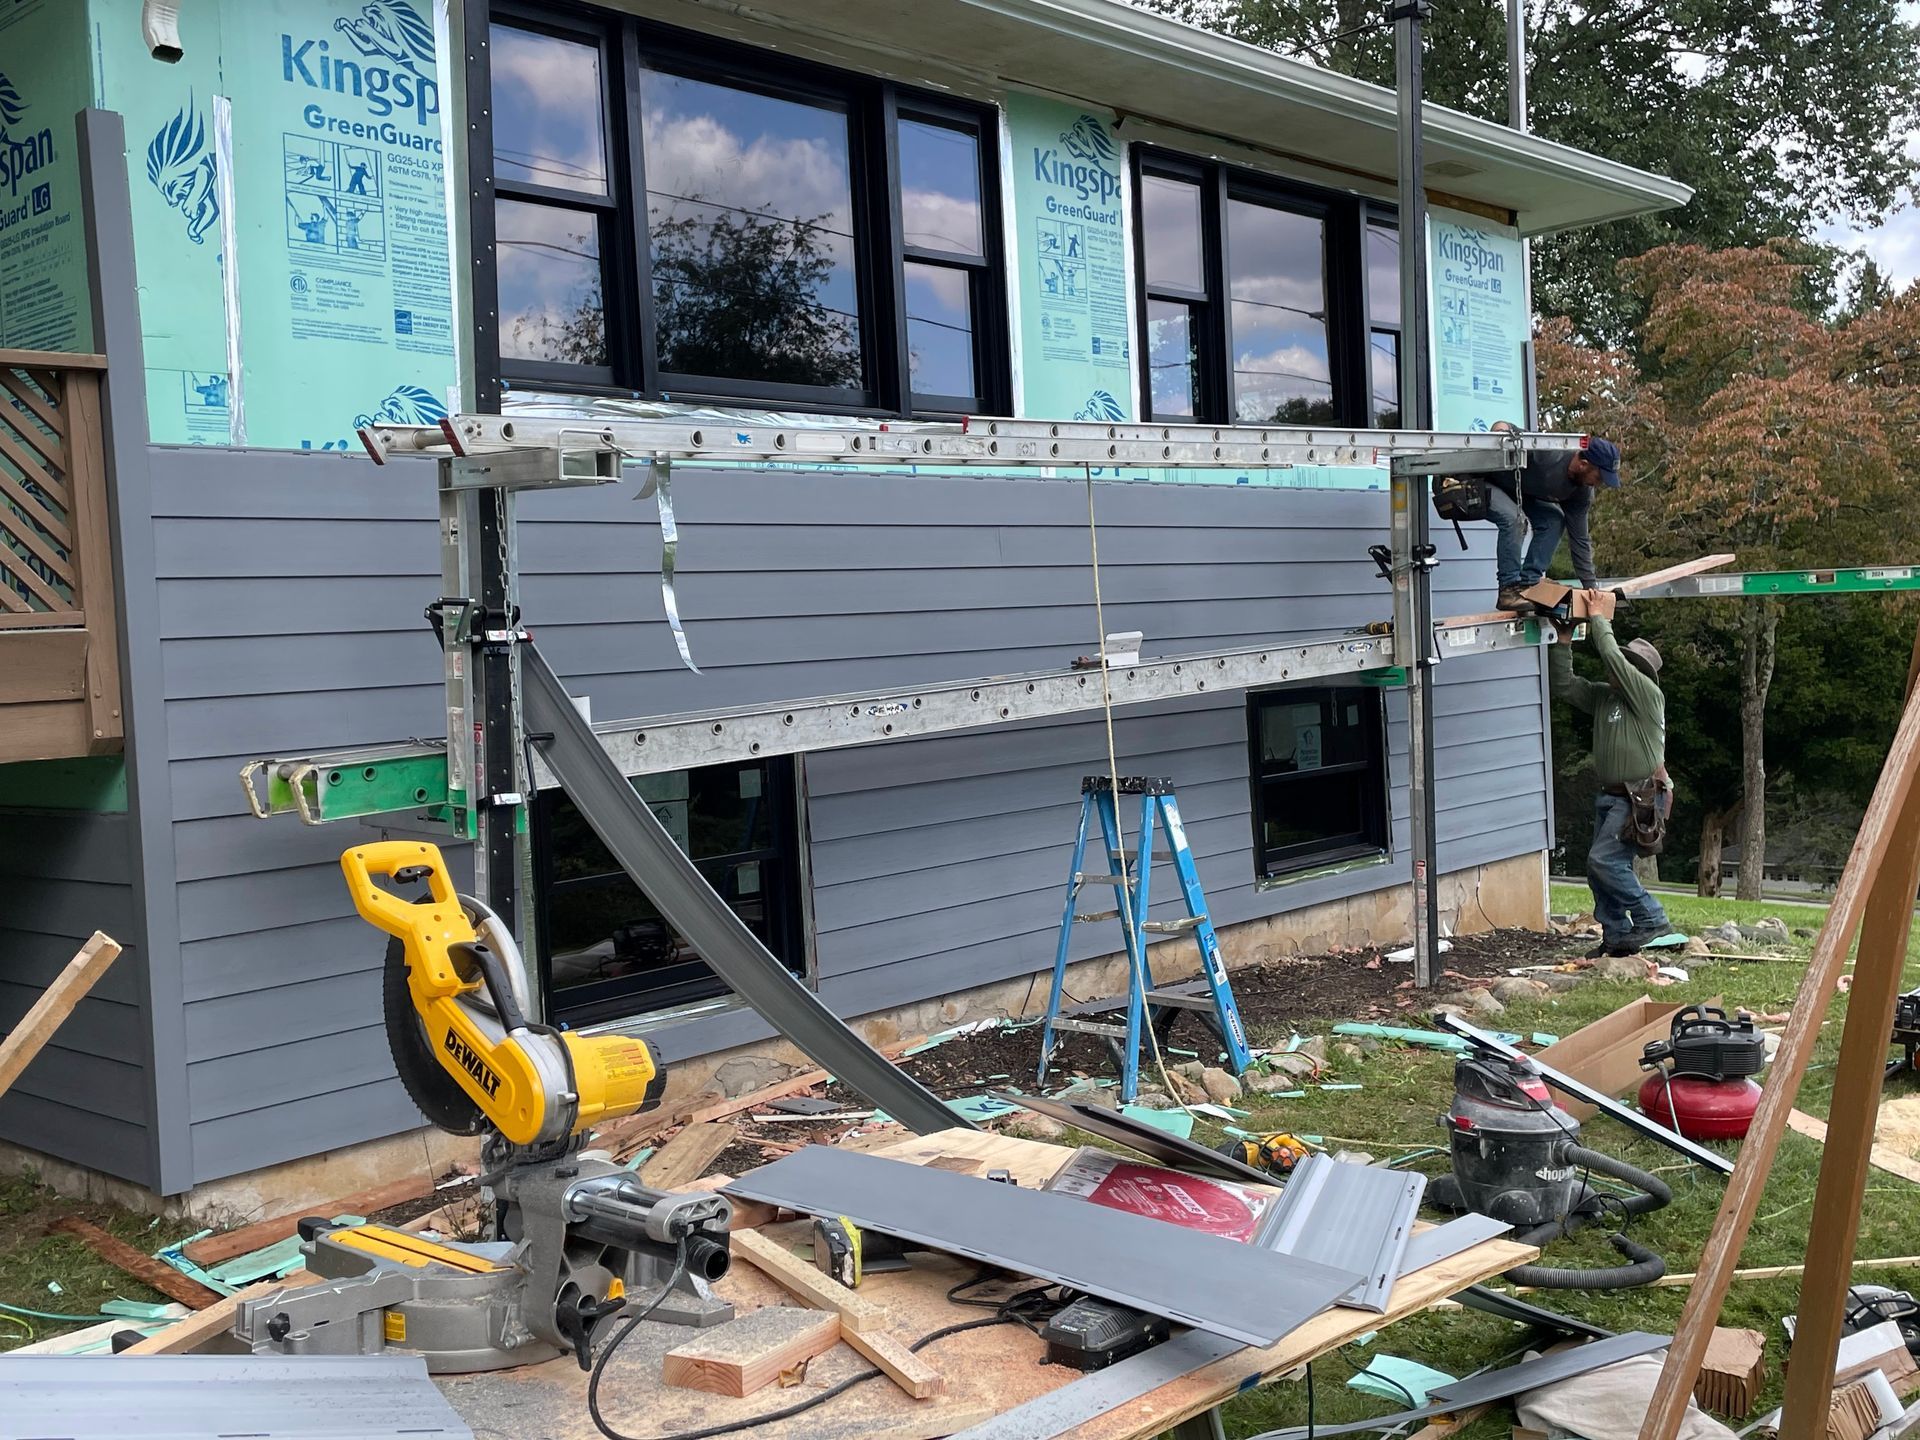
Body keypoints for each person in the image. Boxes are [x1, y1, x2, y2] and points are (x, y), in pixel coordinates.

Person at [1549, 614, 1678, 956]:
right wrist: (1563, 642)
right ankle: (1617, 935)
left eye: (1624, 665)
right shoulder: (1606, 697)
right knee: (1598, 869)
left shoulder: (1648, 696)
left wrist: (1598, 617)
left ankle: (1652, 918)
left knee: (1604, 861)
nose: (1614, 669)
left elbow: (1611, 655)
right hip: (1611, 796)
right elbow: (1564, 686)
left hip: (1636, 796)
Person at [1486, 424, 1621, 613]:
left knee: (1554, 520)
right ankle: (1508, 591)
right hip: (1480, 480)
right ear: (1584, 464)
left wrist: (1591, 587)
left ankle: (1528, 583)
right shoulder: (1547, 452)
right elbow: (1502, 426)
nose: (1598, 484)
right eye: (1598, 478)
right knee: (1514, 519)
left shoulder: (1581, 493)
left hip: (1516, 492)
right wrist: (1498, 435)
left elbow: (1580, 540)